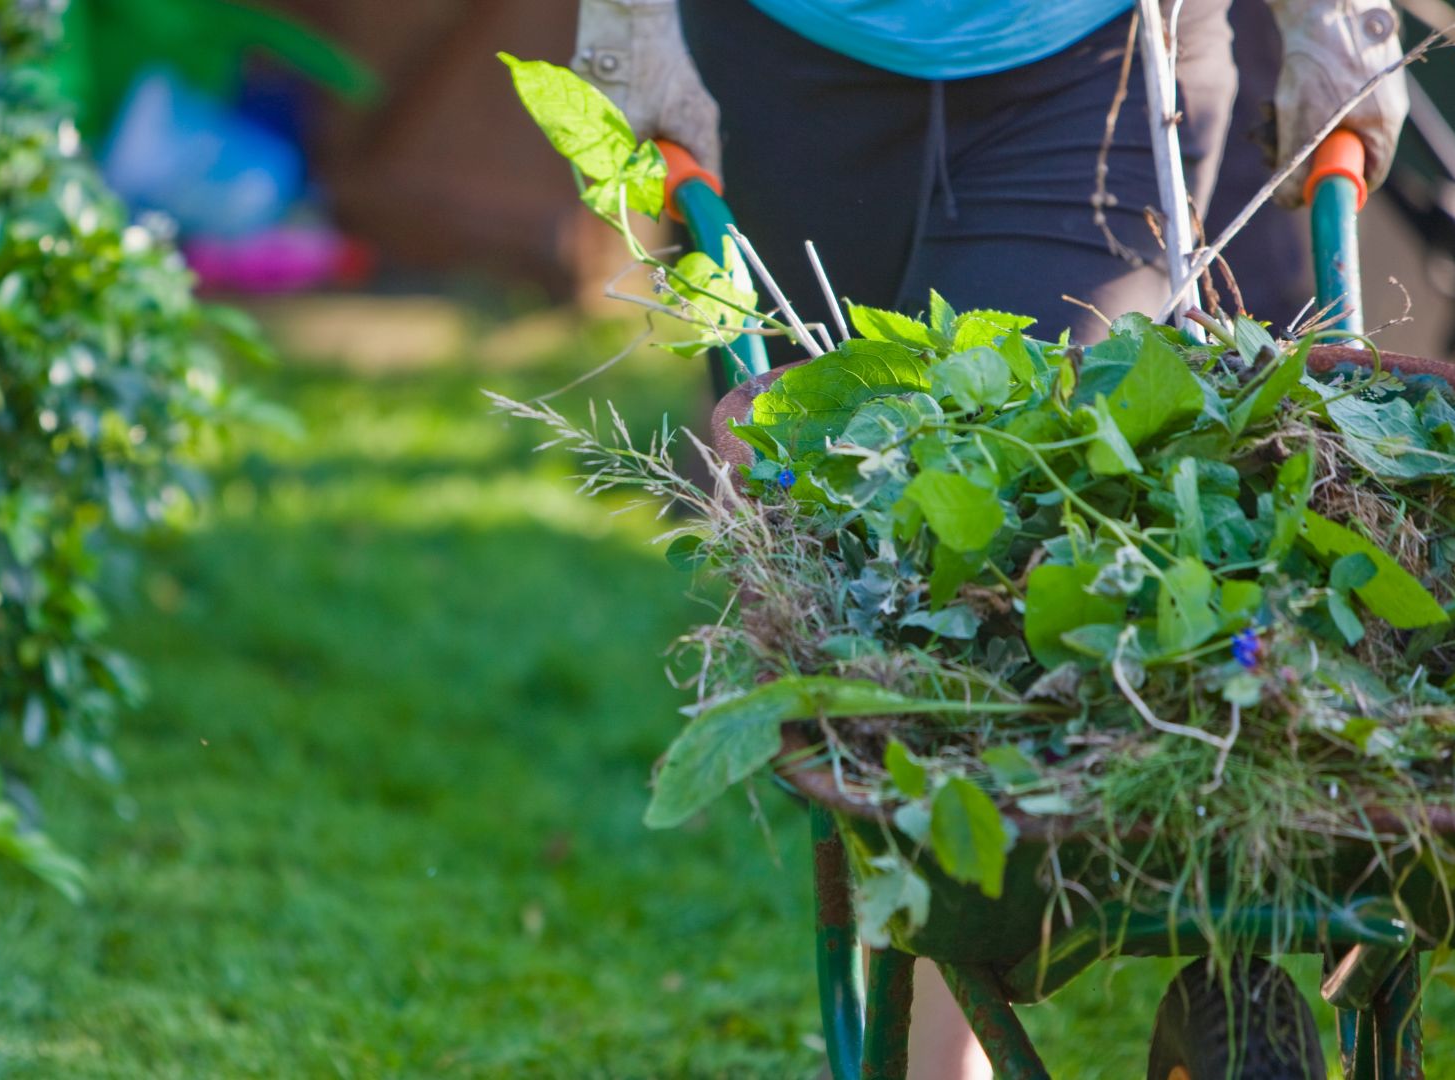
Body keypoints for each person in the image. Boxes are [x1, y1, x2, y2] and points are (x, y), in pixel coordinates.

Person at [570, 0, 1408, 1075]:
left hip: (1090, 63)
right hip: (779, 61)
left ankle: (939, 1046)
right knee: (870, 587)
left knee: (999, 554)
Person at [572, 0, 1408, 345]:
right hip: (781, 58)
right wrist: (627, 20)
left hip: (1094, 67)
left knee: (1015, 472)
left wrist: (1334, 17)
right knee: (819, 490)